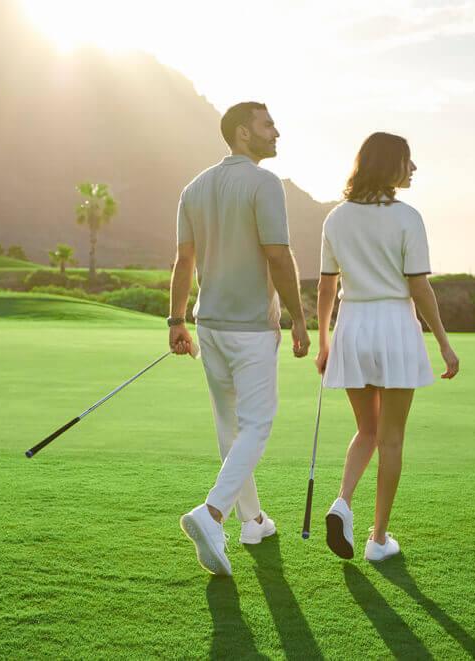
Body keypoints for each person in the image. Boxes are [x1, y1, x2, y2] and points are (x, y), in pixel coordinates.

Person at [170, 101, 310, 576]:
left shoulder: (194, 188)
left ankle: (253, 521)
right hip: (250, 329)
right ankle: (211, 514)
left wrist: (175, 321)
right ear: (243, 134)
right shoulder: (264, 184)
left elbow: (183, 262)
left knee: (231, 428)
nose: (277, 131)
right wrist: (298, 316)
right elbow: (278, 255)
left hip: (209, 325)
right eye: (268, 124)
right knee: (257, 425)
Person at [314, 132, 459, 562]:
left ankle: (342, 502)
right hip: (394, 325)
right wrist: (445, 345)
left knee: (367, 430)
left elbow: (326, 285)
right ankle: (378, 540)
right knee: (391, 438)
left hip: (353, 326)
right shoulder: (408, 217)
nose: (413, 169)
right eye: (407, 161)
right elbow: (419, 286)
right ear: (388, 165)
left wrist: (324, 341)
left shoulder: (335, 219)